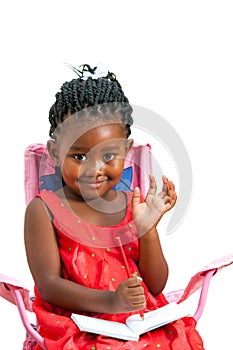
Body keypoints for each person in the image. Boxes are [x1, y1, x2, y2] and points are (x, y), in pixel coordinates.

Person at [24, 63, 204, 349]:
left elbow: (155, 286)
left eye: (108, 155)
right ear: (56, 152)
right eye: (79, 157)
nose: (94, 170)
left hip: (137, 321)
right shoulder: (44, 209)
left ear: (126, 150)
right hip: (78, 320)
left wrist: (147, 231)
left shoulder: (130, 204)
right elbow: (48, 285)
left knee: (178, 341)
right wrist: (110, 301)